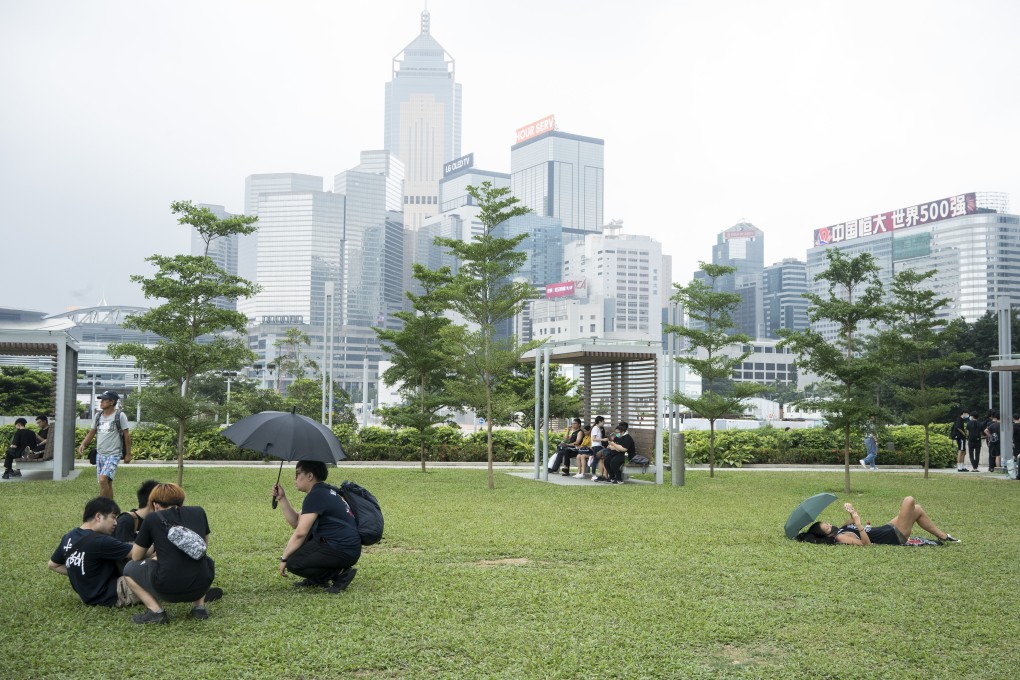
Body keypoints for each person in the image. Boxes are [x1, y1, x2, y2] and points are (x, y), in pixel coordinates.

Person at [123, 483, 218, 623]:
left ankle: (156, 612)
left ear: (155, 505)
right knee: (205, 560)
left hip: (167, 590)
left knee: (129, 568)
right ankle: (199, 608)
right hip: (201, 585)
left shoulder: (152, 519)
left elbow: (136, 556)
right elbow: (202, 547)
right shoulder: (199, 512)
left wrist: (155, 550)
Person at [271, 460, 361, 594]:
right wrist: (282, 498)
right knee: (301, 548)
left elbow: (300, 533)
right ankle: (316, 578)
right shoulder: (325, 491)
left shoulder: (316, 496)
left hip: (341, 548)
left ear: (310, 476)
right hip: (347, 547)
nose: (295, 478)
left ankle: (339, 573)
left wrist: (284, 558)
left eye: (297, 474)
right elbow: (296, 521)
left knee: (294, 563)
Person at [47, 496, 140, 607]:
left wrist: (83, 574)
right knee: (151, 565)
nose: (116, 523)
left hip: (87, 597)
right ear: (98, 516)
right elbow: (138, 552)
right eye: (113, 517)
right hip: (113, 594)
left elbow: (53, 565)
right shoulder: (100, 541)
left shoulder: (69, 537)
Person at [796, 496, 960, 546]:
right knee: (909, 501)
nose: (828, 524)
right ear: (824, 532)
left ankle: (944, 536)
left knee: (916, 508)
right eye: (825, 526)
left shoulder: (840, 529)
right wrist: (859, 525)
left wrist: (851, 510)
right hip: (894, 536)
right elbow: (865, 545)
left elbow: (851, 521)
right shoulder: (839, 537)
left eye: (826, 522)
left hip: (887, 528)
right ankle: (944, 537)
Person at [77, 390, 132, 498]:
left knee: (102, 480)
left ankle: (102, 507)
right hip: (100, 454)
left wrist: (128, 454)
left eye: (104, 400)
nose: (101, 402)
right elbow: (92, 432)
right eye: (101, 400)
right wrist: (83, 444)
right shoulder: (98, 416)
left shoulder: (120, 415)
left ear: (112, 402)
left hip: (114, 454)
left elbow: (126, 435)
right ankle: (111, 508)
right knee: (106, 483)